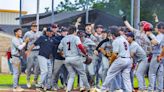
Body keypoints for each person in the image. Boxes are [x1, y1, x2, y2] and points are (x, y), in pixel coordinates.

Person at [58, 25, 90, 92]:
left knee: (72, 74)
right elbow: (80, 46)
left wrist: (64, 55)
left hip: (67, 59)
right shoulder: (76, 37)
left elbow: (58, 50)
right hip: (75, 58)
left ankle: (68, 89)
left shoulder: (64, 39)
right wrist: (86, 54)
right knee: (82, 73)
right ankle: (88, 88)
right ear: (75, 31)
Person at [101, 26, 132, 92]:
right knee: (126, 78)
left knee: (109, 73)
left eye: (110, 34)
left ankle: (103, 89)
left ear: (113, 34)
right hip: (128, 60)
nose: (110, 35)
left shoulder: (116, 41)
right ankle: (129, 90)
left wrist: (110, 62)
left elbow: (115, 54)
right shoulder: (124, 39)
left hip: (121, 60)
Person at [23, 22, 42, 88]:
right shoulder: (27, 33)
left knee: (37, 67)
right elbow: (24, 42)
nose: (35, 27)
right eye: (34, 26)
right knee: (29, 66)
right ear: (31, 27)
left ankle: (35, 80)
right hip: (30, 51)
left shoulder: (39, 33)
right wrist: (25, 50)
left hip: (38, 51)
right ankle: (28, 80)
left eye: (36, 26)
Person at [148, 22, 164, 92]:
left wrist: (150, 35)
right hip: (161, 55)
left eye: (156, 27)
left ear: (160, 29)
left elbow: (155, 42)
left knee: (152, 73)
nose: (155, 28)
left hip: (157, 55)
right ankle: (159, 89)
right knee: (160, 74)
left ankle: (151, 89)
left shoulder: (160, 35)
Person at [51, 26, 68, 91]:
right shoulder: (57, 38)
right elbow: (55, 42)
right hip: (58, 58)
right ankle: (53, 84)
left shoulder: (69, 38)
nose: (64, 32)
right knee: (55, 72)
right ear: (61, 32)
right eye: (63, 31)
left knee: (66, 72)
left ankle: (65, 84)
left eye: (65, 31)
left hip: (66, 58)